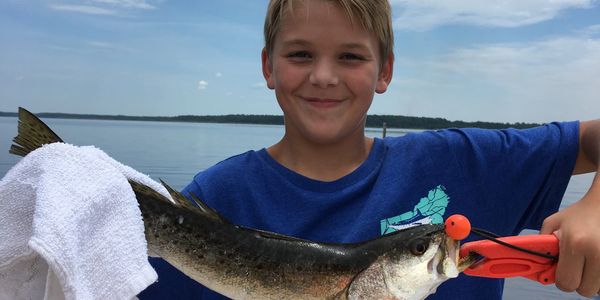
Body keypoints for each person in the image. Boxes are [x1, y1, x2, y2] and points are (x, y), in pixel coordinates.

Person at [139, 0, 600, 299]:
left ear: (385, 71)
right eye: (300, 54)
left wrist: (595, 208)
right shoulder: (215, 197)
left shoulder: (465, 163)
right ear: (268, 66)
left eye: (350, 56)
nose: (323, 75)